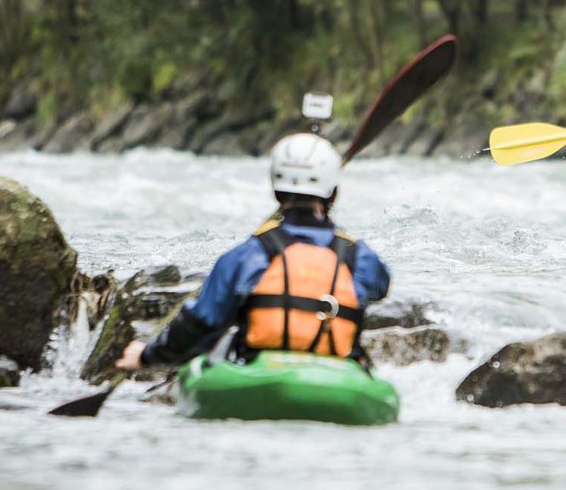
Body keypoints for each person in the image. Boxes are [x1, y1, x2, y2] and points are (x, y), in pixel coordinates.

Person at [115, 133, 391, 372]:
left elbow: (200, 321)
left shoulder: (247, 255)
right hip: (338, 375)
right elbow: (380, 287)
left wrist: (146, 355)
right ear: (333, 194)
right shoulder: (359, 258)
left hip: (258, 371)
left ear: (276, 193)